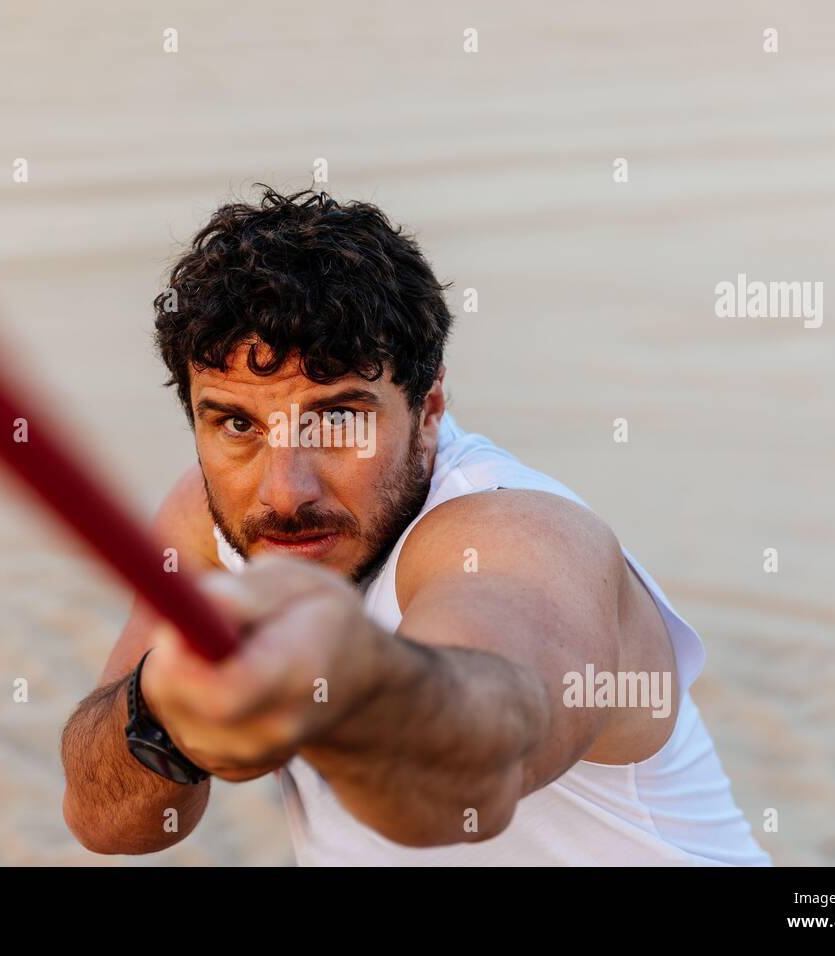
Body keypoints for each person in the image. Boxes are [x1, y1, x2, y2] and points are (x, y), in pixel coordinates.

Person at [60, 185, 772, 865]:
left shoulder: (516, 533)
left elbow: (473, 766)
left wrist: (352, 675)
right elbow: (107, 820)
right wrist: (160, 715)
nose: (283, 492)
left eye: (339, 418)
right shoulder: (211, 518)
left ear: (428, 412)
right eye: (237, 423)